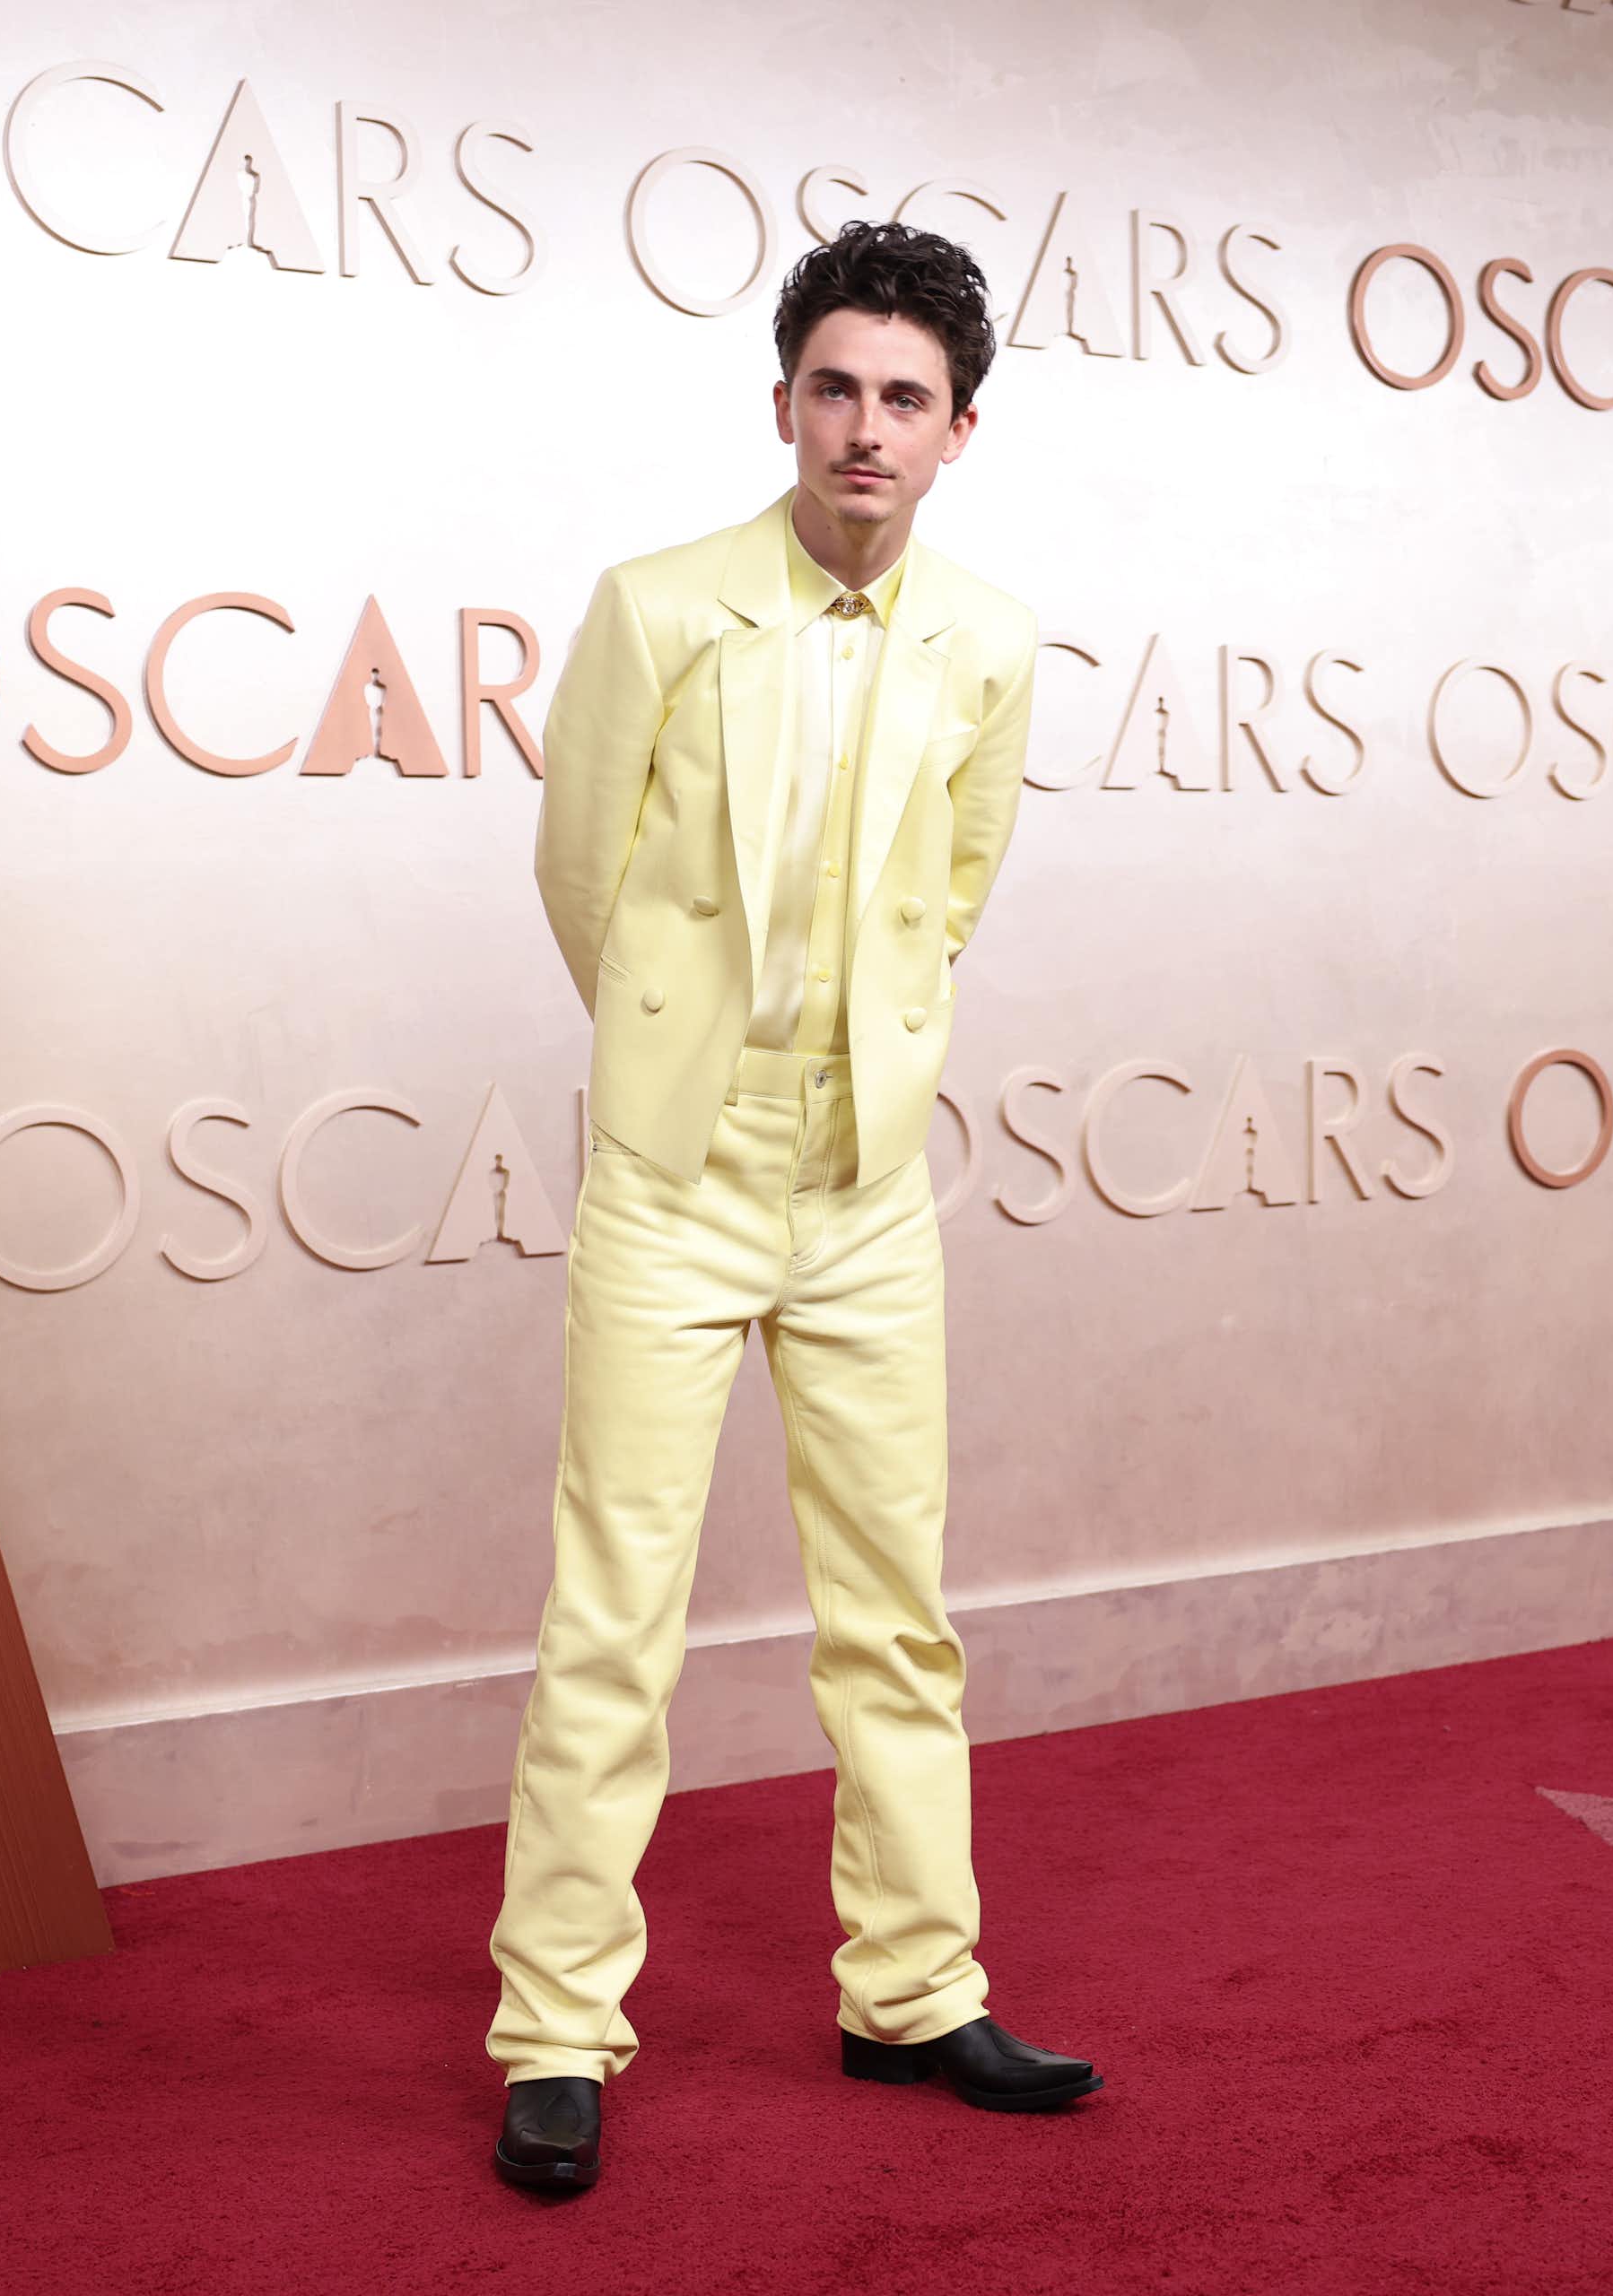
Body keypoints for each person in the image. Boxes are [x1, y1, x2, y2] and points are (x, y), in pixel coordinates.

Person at [487, 217, 1103, 2192]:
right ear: (782, 405)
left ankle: (913, 1987)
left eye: (901, 399)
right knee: (616, 1613)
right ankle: (556, 2025)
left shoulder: (990, 638)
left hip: (864, 1180)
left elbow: (956, 884)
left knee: (893, 1612)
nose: (863, 427)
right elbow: (582, 871)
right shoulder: (657, 605)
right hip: (678, 1171)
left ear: (957, 431)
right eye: (831, 388)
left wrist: (851, 1077)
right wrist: (687, 1071)